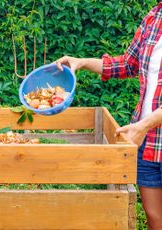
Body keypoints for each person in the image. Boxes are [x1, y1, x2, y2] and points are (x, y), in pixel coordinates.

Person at [55, 2, 162, 230]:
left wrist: (143, 126)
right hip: (149, 141)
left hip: (144, 130)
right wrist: (82, 62)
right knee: (155, 219)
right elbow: (127, 64)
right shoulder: (154, 17)